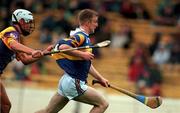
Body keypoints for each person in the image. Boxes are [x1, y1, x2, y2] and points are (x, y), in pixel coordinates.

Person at [35, 9, 109, 113]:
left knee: (48, 111)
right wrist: (83, 54)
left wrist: (100, 78)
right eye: (95, 22)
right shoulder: (81, 36)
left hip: (66, 80)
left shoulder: (84, 38)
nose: (97, 25)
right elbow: (63, 47)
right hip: (73, 82)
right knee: (103, 104)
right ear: (88, 22)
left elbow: (87, 65)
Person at [0, 9, 44, 113]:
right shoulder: (10, 31)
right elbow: (12, 44)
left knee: (6, 106)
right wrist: (32, 51)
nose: (30, 26)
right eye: (29, 22)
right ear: (21, 21)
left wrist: (44, 53)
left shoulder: (17, 38)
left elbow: (24, 60)